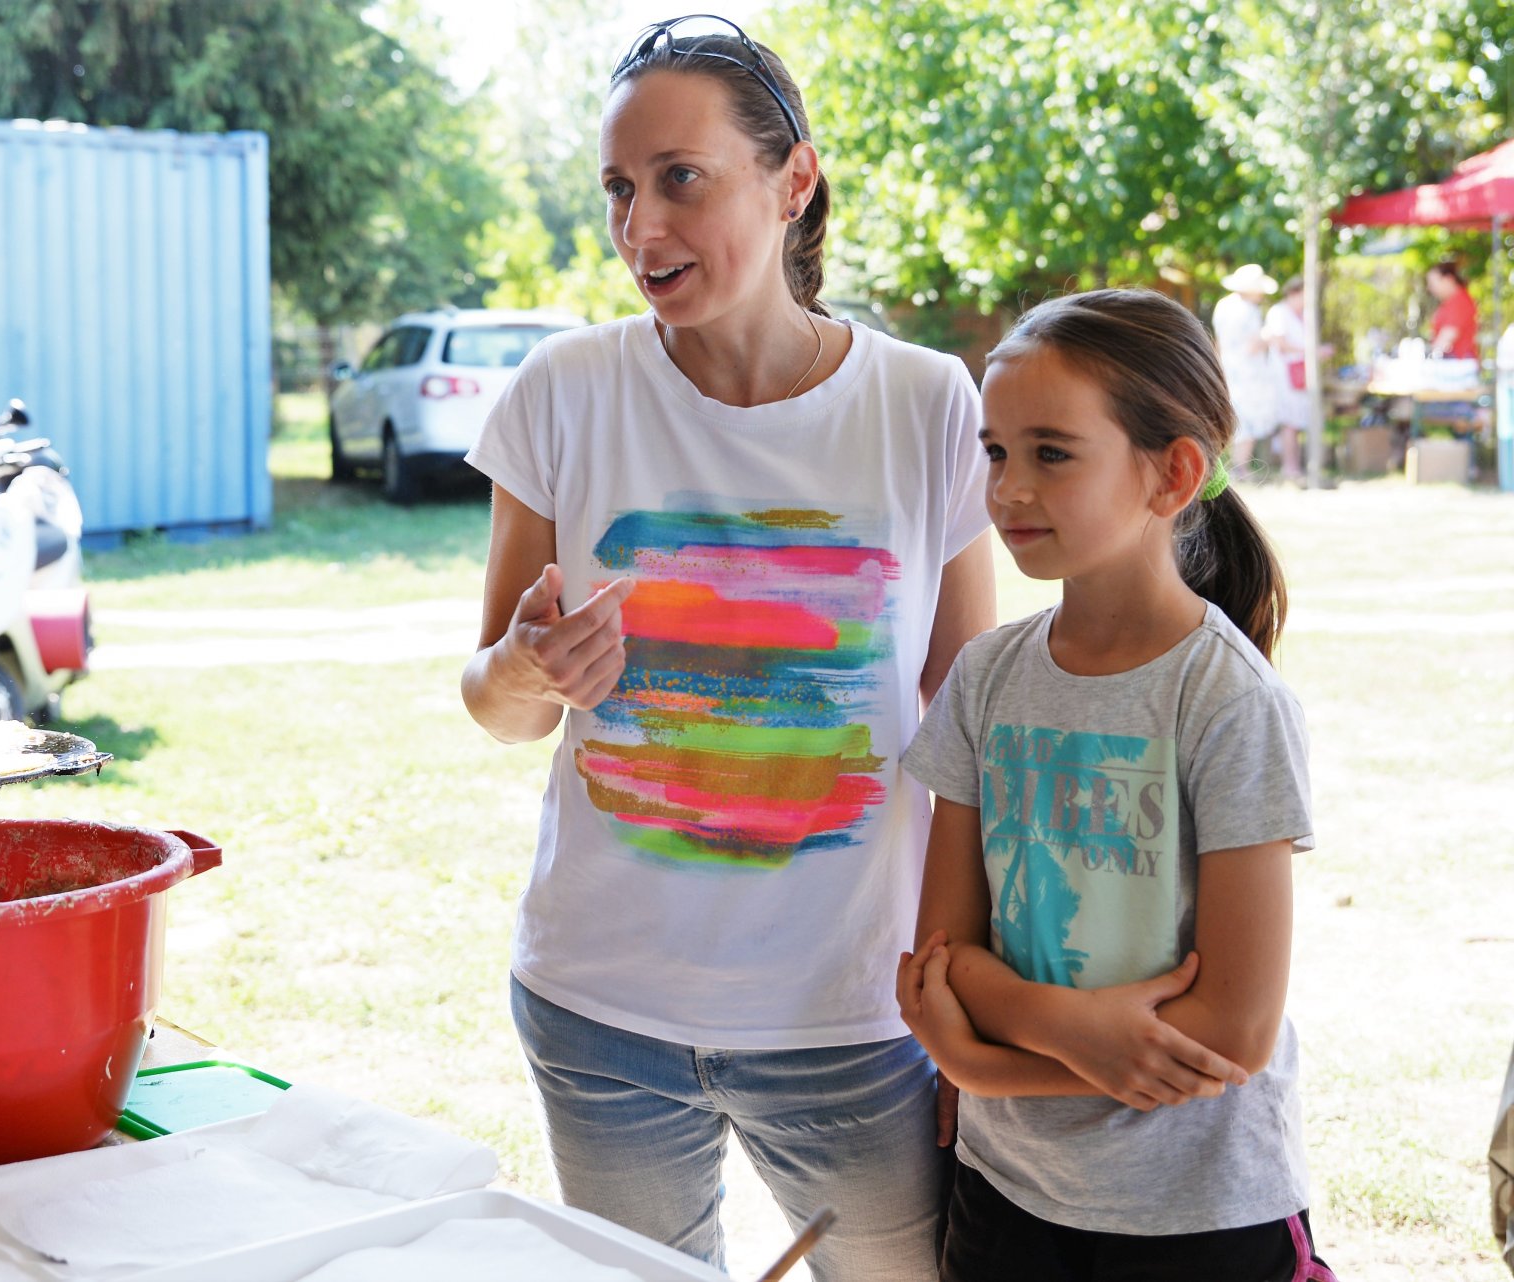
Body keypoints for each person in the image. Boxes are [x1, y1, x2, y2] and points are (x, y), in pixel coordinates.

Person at [458, 13, 995, 1280]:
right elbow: (498, 703)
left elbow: (965, 725)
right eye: (618, 189)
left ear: (793, 180)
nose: (640, 226)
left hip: (854, 1017)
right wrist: (528, 668)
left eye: (681, 179)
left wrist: (967, 988)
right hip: (600, 1013)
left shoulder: (925, 402)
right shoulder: (563, 391)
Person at [895, 289, 1336, 1281]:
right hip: (1005, 1198)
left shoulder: (1228, 702)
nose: (1008, 489)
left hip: (1201, 1214)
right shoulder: (985, 678)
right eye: (996, 452)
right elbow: (941, 963)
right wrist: (1065, 1029)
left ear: (1172, 472)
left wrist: (981, 1059)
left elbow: (1232, 1032)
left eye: (1052, 453)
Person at [1211, 264, 1279, 471]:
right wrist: (1268, 336)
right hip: (1248, 371)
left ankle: (1234, 465)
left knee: (1235, 414)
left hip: (1229, 367)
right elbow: (1251, 345)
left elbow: (1219, 342)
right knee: (1247, 418)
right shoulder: (1249, 310)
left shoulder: (1223, 306)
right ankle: (1241, 467)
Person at [1263, 277, 1312, 482]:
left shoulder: (1303, 315)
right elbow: (1280, 344)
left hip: (1299, 374)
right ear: (1294, 293)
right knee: (1289, 422)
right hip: (1284, 374)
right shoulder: (1279, 312)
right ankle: (1289, 466)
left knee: (1297, 421)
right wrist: (1312, 351)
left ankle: (1295, 464)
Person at [1427, 261, 1478, 359]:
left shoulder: (1460, 301)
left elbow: (1447, 336)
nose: (1430, 288)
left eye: (1433, 284)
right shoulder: (1451, 302)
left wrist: (1431, 357)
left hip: (1458, 361)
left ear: (1448, 279)